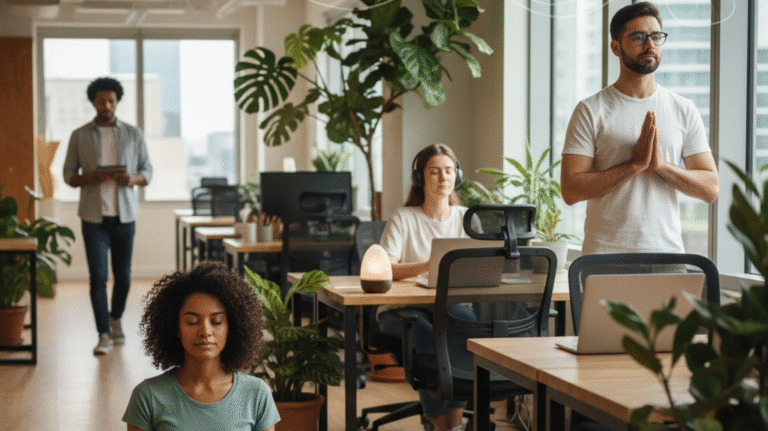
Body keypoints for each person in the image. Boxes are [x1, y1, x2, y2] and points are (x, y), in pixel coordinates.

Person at [560, 1, 719, 256]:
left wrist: (661, 166)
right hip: (604, 257)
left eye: (656, 37)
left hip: (667, 257)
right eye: (638, 37)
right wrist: (633, 166)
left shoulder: (683, 109)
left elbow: (710, 188)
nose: (650, 45)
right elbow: (571, 190)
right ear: (616, 47)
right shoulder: (590, 110)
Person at [377, 143, 473, 431]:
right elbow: (385, 268)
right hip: (402, 310)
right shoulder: (403, 218)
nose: (443, 178)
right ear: (420, 178)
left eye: (448, 171)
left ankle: (453, 426)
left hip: (450, 305)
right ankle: (439, 424)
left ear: (457, 175)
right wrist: (430, 264)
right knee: (430, 337)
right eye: (434, 172)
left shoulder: (467, 218)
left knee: (466, 329)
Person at [123, 261, 280, 431]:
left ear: (231, 327)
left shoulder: (256, 393)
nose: (205, 331)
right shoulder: (148, 397)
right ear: (176, 328)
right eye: (192, 322)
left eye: (216, 321)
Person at [63, 77, 153, 355]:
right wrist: (87, 178)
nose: (106, 105)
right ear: (93, 102)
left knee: (123, 277)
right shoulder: (79, 135)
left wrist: (133, 178)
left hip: (124, 217)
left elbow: (148, 171)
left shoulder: (133, 133)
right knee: (98, 277)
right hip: (93, 219)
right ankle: (103, 333)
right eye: (101, 100)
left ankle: (116, 320)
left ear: (117, 101)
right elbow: (68, 175)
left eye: (111, 100)